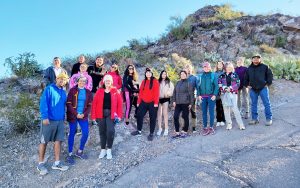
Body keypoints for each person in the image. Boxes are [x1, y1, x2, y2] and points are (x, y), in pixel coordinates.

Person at [37, 72, 69, 175]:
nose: (62, 81)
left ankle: (57, 163)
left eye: (64, 80)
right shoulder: (49, 89)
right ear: (56, 79)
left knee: (58, 141)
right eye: (60, 79)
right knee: (44, 141)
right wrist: (44, 116)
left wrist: (63, 118)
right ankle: (40, 164)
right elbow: (43, 103)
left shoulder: (63, 92)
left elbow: (63, 106)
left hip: (59, 121)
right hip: (49, 120)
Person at [91, 75, 123, 159]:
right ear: (104, 82)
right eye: (106, 81)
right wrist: (93, 116)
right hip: (100, 114)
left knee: (110, 131)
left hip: (111, 114)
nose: (108, 82)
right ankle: (103, 150)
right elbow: (94, 104)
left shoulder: (115, 91)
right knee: (102, 132)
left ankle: (109, 149)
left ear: (111, 82)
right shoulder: (99, 91)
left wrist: (119, 116)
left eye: (109, 81)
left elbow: (120, 104)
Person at [66, 76, 93, 164]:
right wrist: (76, 113)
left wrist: (83, 114)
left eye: (84, 81)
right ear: (77, 82)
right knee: (72, 133)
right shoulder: (72, 90)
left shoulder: (88, 92)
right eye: (80, 81)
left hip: (83, 116)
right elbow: (69, 104)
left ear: (86, 83)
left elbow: (89, 105)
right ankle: (69, 154)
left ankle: (80, 151)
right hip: (73, 116)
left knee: (85, 132)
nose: (82, 82)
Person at [131, 68, 159, 141]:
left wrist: (156, 103)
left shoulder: (155, 81)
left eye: (149, 72)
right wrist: (138, 102)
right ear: (145, 74)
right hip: (143, 102)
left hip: (152, 103)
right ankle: (139, 130)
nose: (148, 74)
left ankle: (151, 133)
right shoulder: (143, 81)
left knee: (152, 118)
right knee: (139, 115)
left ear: (152, 73)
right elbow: (140, 93)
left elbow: (156, 93)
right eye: (147, 73)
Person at [244, 54, 273, 126]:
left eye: (257, 58)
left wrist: (268, 84)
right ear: (252, 59)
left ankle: (269, 119)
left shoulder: (265, 67)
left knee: (266, 103)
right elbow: (245, 78)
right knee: (253, 104)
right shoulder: (249, 68)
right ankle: (254, 119)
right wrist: (247, 85)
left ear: (260, 59)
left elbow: (270, 75)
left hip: (263, 88)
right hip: (253, 89)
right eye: (254, 58)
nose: (256, 59)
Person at [218, 62, 245, 130]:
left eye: (230, 67)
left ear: (232, 68)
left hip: (233, 94)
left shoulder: (235, 75)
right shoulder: (222, 76)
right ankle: (229, 124)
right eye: (227, 67)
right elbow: (219, 84)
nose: (229, 68)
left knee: (235, 108)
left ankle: (240, 124)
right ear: (225, 68)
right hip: (224, 94)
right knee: (226, 109)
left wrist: (230, 88)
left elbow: (238, 83)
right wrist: (224, 88)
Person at [196, 61, 219, 136]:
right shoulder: (200, 76)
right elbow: (198, 86)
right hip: (203, 97)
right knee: (204, 113)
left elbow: (216, 86)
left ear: (210, 67)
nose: (206, 68)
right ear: (203, 68)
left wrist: (215, 95)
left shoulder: (213, 75)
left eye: (207, 66)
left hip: (211, 96)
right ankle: (205, 127)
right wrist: (199, 95)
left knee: (211, 112)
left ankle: (211, 127)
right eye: (205, 67)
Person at [171, 70, 194, 138]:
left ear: (186, 75)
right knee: (175, 116)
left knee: (185, 116)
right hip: (178, 103)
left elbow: (191, 94)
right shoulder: (178, 82)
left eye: (184, 74)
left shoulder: (189, 83)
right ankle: (177, 132)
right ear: (180, 75)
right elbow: (174, 92)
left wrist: (191, 103)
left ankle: (185, 131)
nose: (182, 75)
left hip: (185, 103)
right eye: (181, 74)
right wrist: (174, 101)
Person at [157, 70, 174, 136]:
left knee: (165, 113)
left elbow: (172, 90)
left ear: (166, 75)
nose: (163, 75)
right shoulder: (158, 81)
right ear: (161, 75)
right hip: (159, 99)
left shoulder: (169, 82)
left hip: (166, 99)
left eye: (165, 74)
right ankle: (160, 128)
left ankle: (166, 129)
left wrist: (168, 94)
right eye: (162, 74)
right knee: (159, 114)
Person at [184, 65, 197, 132]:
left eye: (188, 68)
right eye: (186, 68)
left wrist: (198, 96)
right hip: (184, 98)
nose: (187, 70)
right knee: (185, 113)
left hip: (192, 98)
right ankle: (185, 127)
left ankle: (194, 127)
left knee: (193, 112)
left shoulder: (194, 78)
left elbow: (197, 88)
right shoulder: (183, 77)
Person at [214, 60, 226, 127]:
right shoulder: (214, 73)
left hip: (223, 92)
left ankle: (223, 120)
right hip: (217, 92)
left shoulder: (224, 73)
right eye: (218, 64)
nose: (219, 65)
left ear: (222, 65)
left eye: (220, 64)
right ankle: (218, 120)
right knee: (218, 106)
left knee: (223, 106)